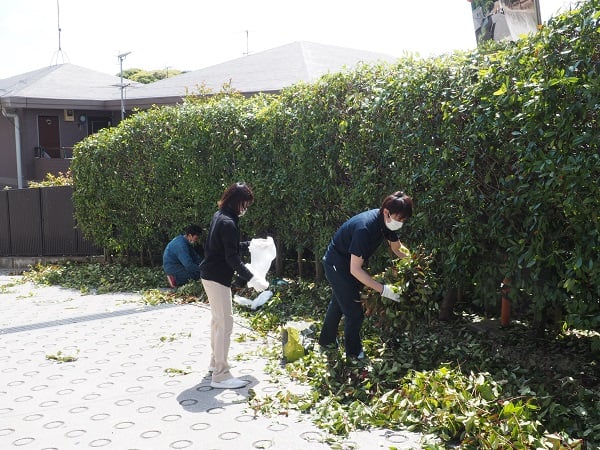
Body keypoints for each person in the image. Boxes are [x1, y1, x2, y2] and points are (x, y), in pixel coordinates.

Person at [318, 191, 413, 360]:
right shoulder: (365, 228)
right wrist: (384, 290)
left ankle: (326, 341)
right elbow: (355, 270)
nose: (400, 223)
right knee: (354, 311)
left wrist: (413, 262)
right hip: (336, 264)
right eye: (399, 219)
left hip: (348, 264)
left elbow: (397, 248)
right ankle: (353, 354)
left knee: (339, 303)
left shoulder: (387, 223)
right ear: (386, 212)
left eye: (403, 220)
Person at [200, 182, 269, 389]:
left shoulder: (220, 215)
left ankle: (215, 364)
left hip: (209, 274)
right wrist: (252, 278)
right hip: (217, 278)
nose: (245, 209)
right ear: (237, 202)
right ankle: (221, 375)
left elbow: (224, 247)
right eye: (245, 204)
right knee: (225, 324)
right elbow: (231, 258)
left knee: (217, 322)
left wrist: (250, 244)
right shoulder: (229, 222)